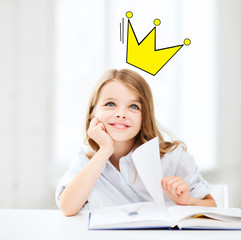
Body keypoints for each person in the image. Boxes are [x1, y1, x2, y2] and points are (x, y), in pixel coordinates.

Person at [55, 69, 216, 216]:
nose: (121, 114)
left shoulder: (172, 158)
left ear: (144, 116)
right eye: (110, 104)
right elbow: (67, 208)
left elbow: (212, 207)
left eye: (133, 106)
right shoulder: (86, 158)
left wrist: (188, 201)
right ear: (92, 113)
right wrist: (105, 149)